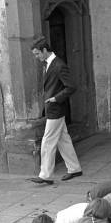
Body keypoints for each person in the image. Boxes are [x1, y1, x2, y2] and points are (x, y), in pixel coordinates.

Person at [29, 37, 82, 185]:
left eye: (37, 54)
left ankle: (45, 175)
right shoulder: (48, 64)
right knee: (63, 139)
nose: (36, 57)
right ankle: (75, 168)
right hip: (53, 109)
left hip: (56, 109)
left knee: (48, 141)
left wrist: (55, 99)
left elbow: (71, 86)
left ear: (45, 50)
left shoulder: (58, 65)